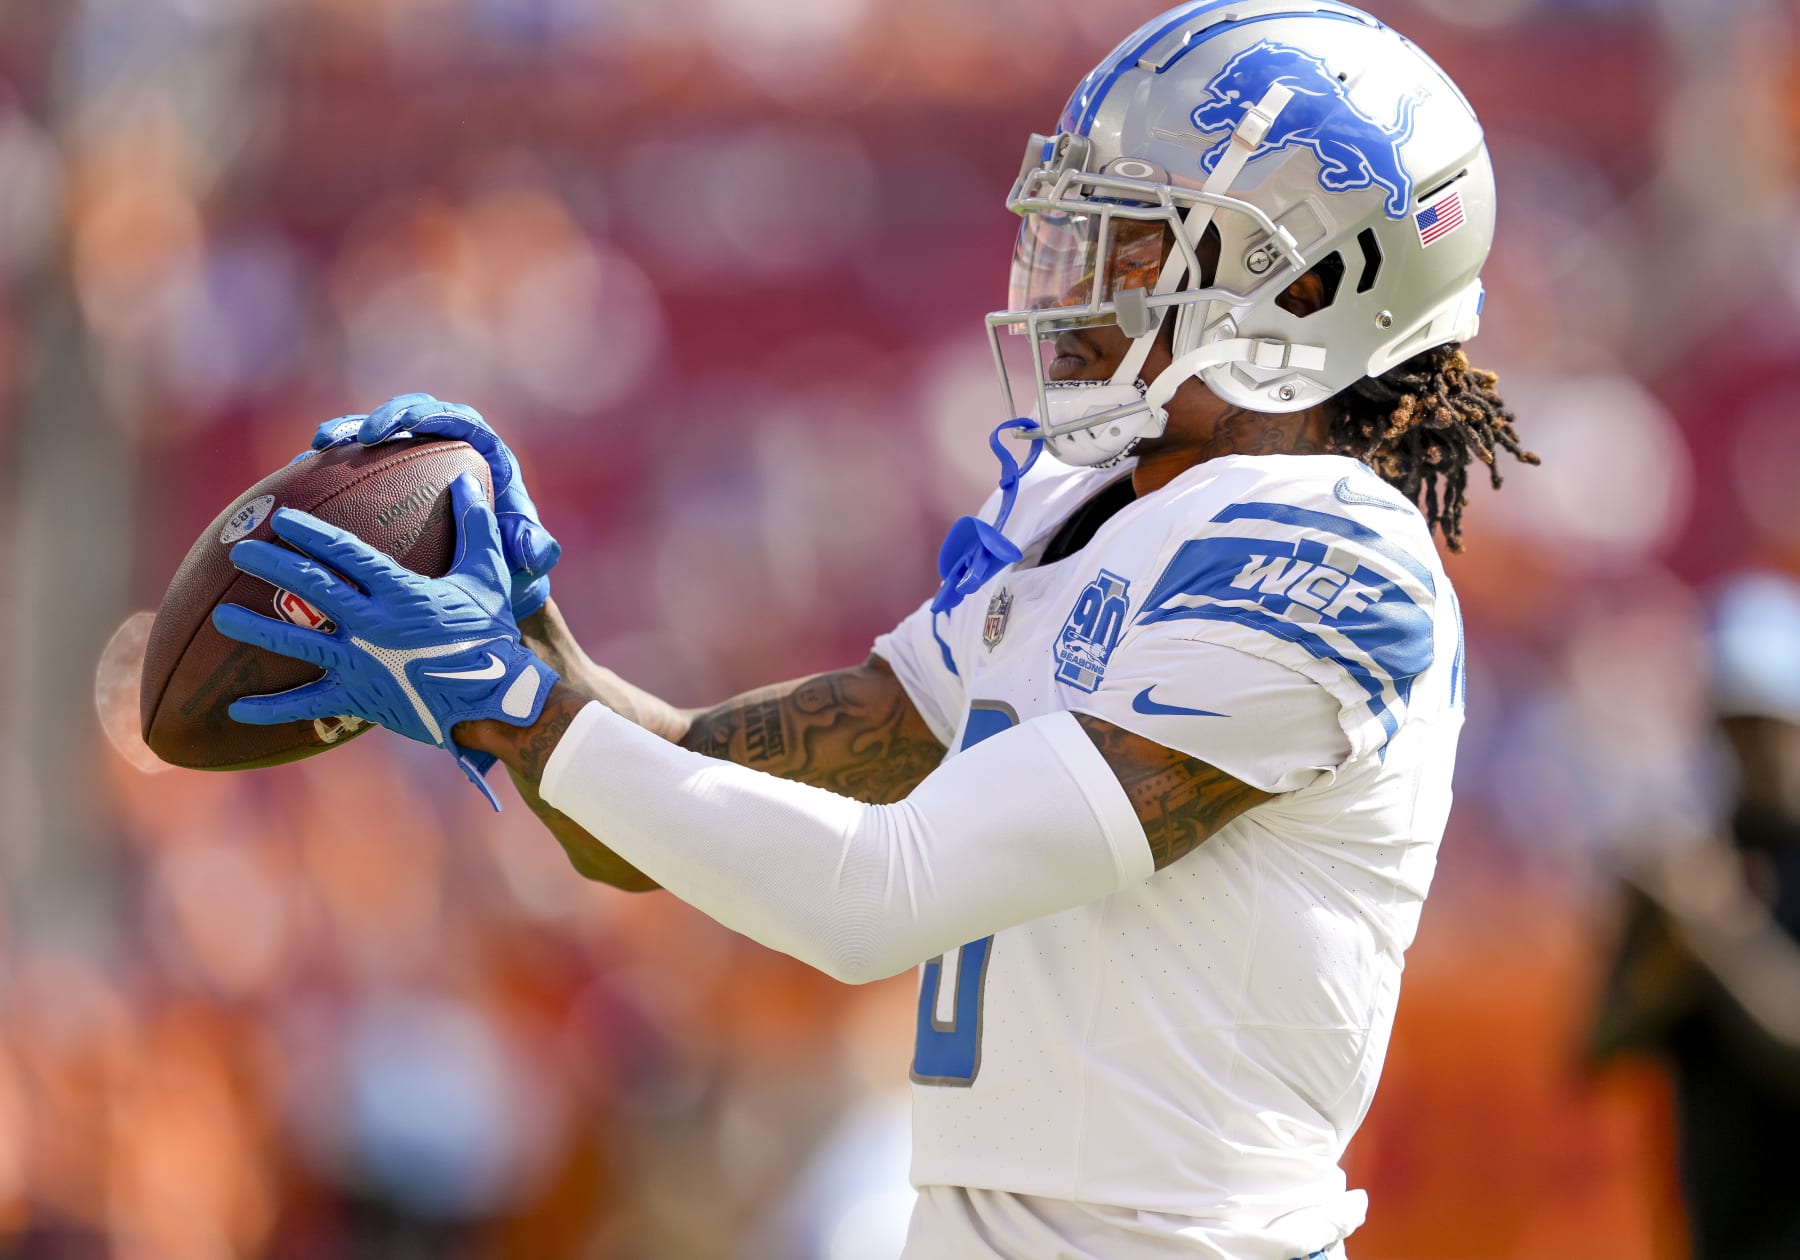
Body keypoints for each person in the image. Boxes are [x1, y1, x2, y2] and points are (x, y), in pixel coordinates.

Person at [212, 3, 1535, 1255]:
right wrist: (534, 639)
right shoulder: (1092, 510)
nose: (1082, 279)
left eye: (1142, 245)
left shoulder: (1328, 562)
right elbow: (668, 808)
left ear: (1309, 289)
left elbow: (877, 897)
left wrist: (510, 703)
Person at [1590, 573, 1800, 1260]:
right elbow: (1596, 1048)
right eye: (1735, 723)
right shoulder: (1693, 863)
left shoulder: (1703, 885)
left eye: (1768, 722)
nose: (1754, 747)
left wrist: (1716, 928)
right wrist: (1670, 953)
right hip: (1713, 1232)